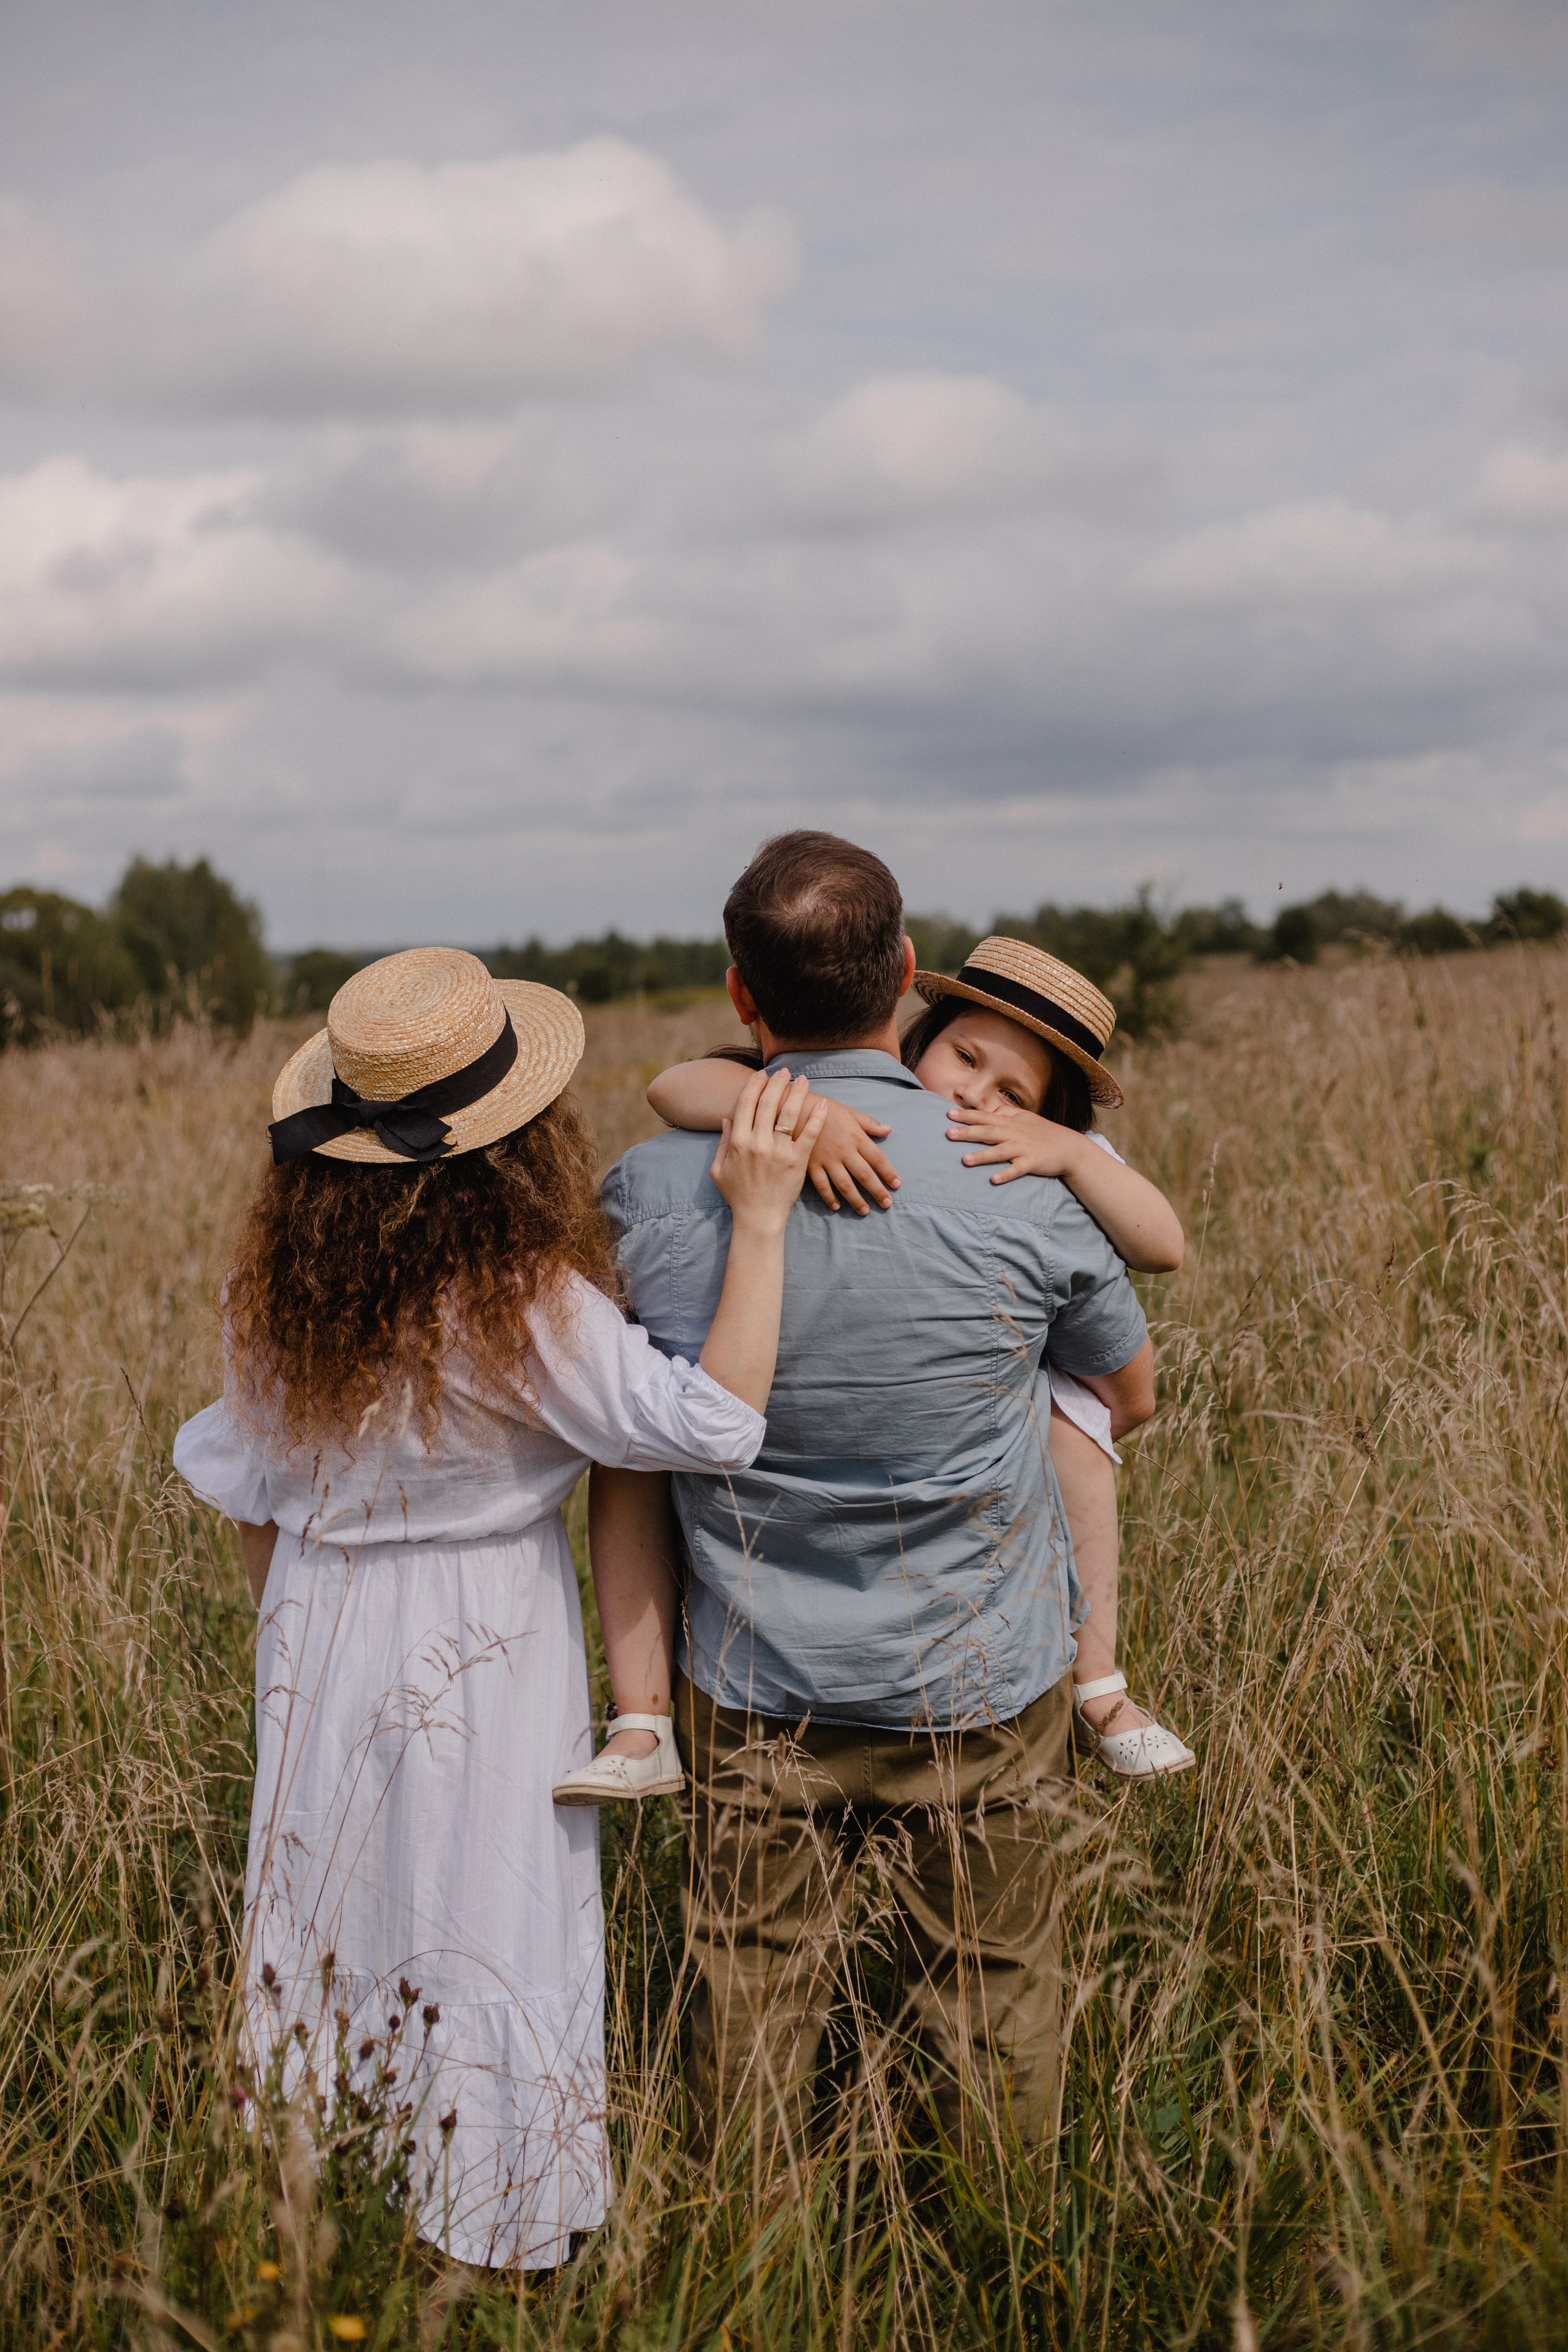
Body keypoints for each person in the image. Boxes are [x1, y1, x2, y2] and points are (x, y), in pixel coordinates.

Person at [172, 946, 825, 2271]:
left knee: (333, 1920)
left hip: (316, 1626)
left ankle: (326, 2212)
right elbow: (710, 1424)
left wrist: (284, 1640)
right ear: (513, 1144)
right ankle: (491, 2230)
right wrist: (757, 1224)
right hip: (486, 1638)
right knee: (491, 1915)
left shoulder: (276, 1299)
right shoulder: (521, 1299)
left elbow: (241, 1487)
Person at [584, 831, 1156, 2162]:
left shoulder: (649, 1184)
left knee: (749, 1995)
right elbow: (1124, 1399)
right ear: (904, 975)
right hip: (979, 1670)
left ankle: (757, 2263)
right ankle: (1012, 2252)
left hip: (749, 1678)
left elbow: (618, 1427)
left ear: (740, 994)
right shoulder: (1016, 1171)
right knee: (996, 1993)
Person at [594, 933, 1195, 1784]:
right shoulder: (803, 1101)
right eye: (963, 1056)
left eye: (1012, 1092)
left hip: (1021, 1395)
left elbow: (1164, 1244)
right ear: (918, 1028)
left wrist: (1065, 1153)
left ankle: (1100, 1684)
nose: (972, 1093)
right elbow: (675, 1084)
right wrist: (818, 1115)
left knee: (1080, 1431)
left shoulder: (1050, 1155)